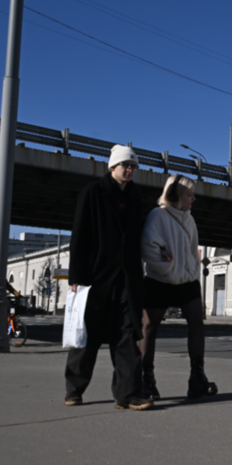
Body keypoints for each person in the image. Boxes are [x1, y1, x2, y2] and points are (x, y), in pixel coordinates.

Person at [64, 144, 153, 411]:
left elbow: (138, 237)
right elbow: (79, 236)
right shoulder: (93, 193)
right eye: (125, 165)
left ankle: (129, 394)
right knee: (88, 335)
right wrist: (76, 275)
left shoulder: (135, 197)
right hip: (95, 277)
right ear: (112, 166)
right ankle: (74, 389)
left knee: (126, 334)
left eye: (134, 166)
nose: (130, 170)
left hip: (126, 278)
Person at [140, 174, 217, 400]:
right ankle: (148, 381)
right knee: (149, 328)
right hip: (159, 281)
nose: (193, 199)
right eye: (189, 195)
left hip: (187, 281)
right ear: (174, 195)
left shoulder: (189, 219)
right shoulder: (158, 215)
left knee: (197, 323)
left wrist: (191, 272)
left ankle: (197, 379)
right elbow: (147, 247)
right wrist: (169, 268)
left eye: (193, 195)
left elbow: (194, 251)